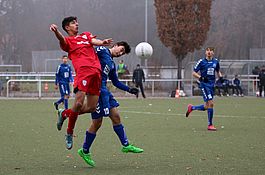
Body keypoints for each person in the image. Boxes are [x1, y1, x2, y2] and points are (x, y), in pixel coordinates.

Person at [50, 16, 113, 150]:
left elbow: (93, 40)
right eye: (73, 23)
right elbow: (61, 39)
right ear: (67, 27)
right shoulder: (68, 41)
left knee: (90, 107)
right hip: (83, 72)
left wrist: (102, 42)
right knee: (78, 103)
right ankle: (69, 132)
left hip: (97, 73)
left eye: (76, 22)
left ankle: (64, 113)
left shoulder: (85, 35)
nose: (77, 24)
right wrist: (56, 32)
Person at [77, 41, 143, 167]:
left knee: (115, 116)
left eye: (123, 52)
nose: (120, 52)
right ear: (116, 45)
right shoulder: (102, 50)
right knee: (97, 123)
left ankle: (126, 145)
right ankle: (84, 148)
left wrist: (130, 89)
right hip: (96, 90)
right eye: (121, 49)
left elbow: (116, 82)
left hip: (104, 91)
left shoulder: (112, 64)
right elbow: (89, 52)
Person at [185, 47, 223, 131]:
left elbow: (218, 71)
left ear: (213, 52)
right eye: (207, 50)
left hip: (211, 85)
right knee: (211, 103)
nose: (209, 52)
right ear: (205, 52)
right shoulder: (201, 62)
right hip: (204, 85)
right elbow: (194, 73)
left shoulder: (216, 61)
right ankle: (210, 125)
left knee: (206, 106)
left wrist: (221, 77)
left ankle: (192, 108)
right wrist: (201, 78)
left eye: (211, 50)